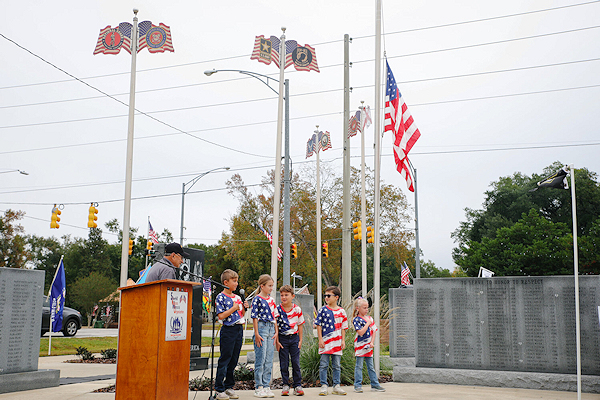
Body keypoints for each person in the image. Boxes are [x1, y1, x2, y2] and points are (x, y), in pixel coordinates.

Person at [215, 269, 248, 400]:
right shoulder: (221, 297)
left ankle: (229, 386)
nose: (237, 283)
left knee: (234, 359)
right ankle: (219, 388)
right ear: (225, 282)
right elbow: (221, 315)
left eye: (237, 281)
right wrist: (234, 308)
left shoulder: (238, 297)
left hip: (238, 329)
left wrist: (243, 307)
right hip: (228, 330)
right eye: (234, 281)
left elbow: (242, 314)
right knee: (225, 358)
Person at [315, 286, 348, 396]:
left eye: (329, 295)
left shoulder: (342, 311)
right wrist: (320, 339)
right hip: (325, 342)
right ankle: (324, 385)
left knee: (336, 365)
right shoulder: (322, 310)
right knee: (323, 364)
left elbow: (344, 327)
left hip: (337, 342)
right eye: (325, 295)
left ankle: (336, 386)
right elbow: (318, 325)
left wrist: (343, 340)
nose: (326, 298)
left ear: (336, 297)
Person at [251, 275, 279, 398]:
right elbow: (255, 317)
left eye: (272, 286)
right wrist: (256, 333)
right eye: (269, 286)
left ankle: (267, 385)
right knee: (260, 359)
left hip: (271, 329)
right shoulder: (257, 299)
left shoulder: (272, 300)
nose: (271, 288)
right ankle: (259, 387)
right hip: (261, 328)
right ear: (262, 286)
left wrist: (276, 332)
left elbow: (275, 317)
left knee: (269, 359)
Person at [275, 284, 305, 396]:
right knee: (284, 363)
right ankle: (285, 385)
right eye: (282, 295)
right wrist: (277, 341)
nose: (284, 297)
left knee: (295, 362)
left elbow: (300, 325)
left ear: (292, 296)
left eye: (286, 295)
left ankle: (297, 385)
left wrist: (300, 340)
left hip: (294, 338)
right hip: (282, 338)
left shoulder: (297, 309)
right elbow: (276, 327)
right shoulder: (277, 309)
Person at [352, 297, 385, 393]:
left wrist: (372, 342)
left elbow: (374, 330)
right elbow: (361, 332)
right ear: (358, 308)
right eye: (364, 308)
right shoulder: (356, 319)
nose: (366, 310)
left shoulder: (370, 318)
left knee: (371, 366)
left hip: (369, 347)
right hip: (360, 346)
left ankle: (375, 384)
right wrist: (367, 324)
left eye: (367, 308)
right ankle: (357, 385)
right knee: (359, 366)